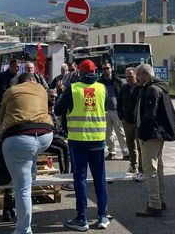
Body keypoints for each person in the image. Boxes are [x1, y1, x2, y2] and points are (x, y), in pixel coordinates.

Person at [54, 59, 111, 230]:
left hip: (78, 141)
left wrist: (60, 93)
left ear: (79, 72)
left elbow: (58, 110)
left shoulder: (73, 88)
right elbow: (105, 106)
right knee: (100, 179)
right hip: (98, 141)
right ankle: (102, 216)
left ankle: (82, 219)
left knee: (80, 180)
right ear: (95, 71)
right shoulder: (102, 88)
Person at [0, 72, 54, 234]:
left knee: (22, 188)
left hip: (19, 139)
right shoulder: (42, 90)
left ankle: (23, 230)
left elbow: (1, 116)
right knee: (32, 151)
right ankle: (33, 172)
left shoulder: (11, 91)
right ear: (33, 80)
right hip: (45, 136)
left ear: (19, 81)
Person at [134, 64, 175, 218]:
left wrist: (141, 133)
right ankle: (160, 200)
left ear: (145, 74)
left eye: (138, 75)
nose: (136, 79)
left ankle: (154, 204)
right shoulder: (160, 87)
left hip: (150, 135)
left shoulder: (152, 90)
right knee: (158, 168)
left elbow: (149, 116)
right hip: (157, 135)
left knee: (150, 170)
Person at [117, 67, 143, 180]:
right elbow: (119, 104)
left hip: (138, 122)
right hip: (126, 122)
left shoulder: (142, 88)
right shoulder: (123, 88)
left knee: (140, 146)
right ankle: (133, 166)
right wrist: (121, 117)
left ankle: (141, 169)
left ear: (136, 76)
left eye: (130, 76)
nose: (128, 79)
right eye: (126, 76)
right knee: (130, 145)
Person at [98, 63, 128, 161]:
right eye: (104, 69)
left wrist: (123, 109)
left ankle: (126, 152)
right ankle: (112, 152)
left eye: (107, 68)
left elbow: (124, 94)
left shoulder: (117, 80)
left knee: (121, 132)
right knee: (108, 134)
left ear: (111, 69)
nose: (106, 70)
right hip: (105, 111)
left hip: (117, 110)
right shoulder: (99, 82)